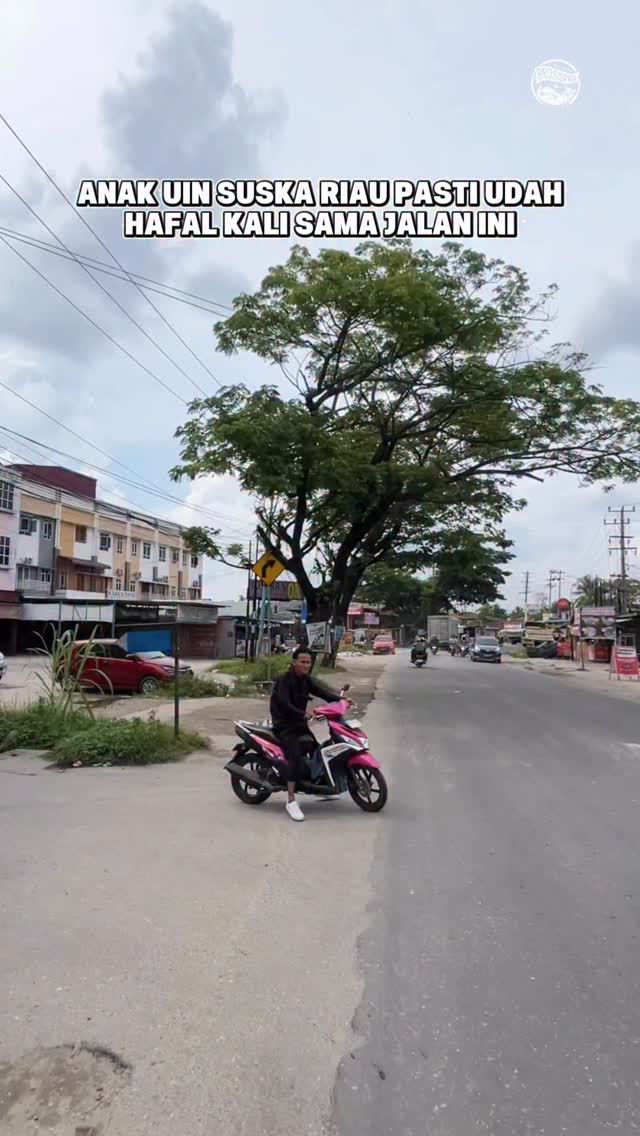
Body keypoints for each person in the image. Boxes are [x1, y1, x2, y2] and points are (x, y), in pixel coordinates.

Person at [270, 646, 349, 822]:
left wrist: (341, 700)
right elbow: (284, 703)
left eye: (309, 662)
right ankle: (291, 800)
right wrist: (302, 713)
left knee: (317, 750)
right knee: (295, 755)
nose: (306, 665)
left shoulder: (306, 680)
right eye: (303, 662)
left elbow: (323, 693)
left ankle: (319, 788)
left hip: (299, 724)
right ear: (294, 662)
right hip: (284, 726)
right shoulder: (284, 681)